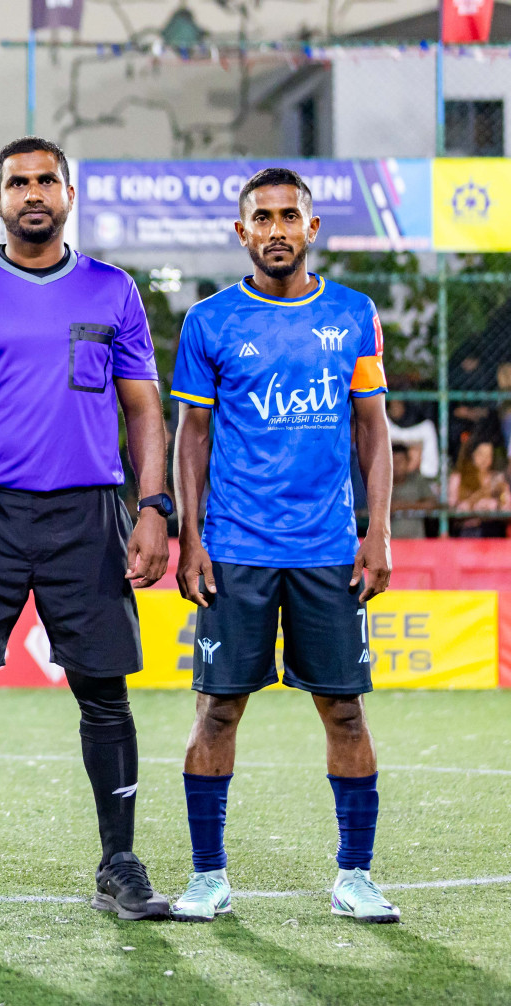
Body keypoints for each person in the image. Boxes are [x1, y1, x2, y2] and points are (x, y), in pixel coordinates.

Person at [0, 136, 172, 923]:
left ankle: (119, 862)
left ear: (68, 193)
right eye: (16, 182)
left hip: (87, 513)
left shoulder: (113, 291)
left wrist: (152, 509)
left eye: (45, 179)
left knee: (104, 694)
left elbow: (144, 409)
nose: (32, 193)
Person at [170, 167, 398, 925]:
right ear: (241, 233)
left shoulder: (355, 314)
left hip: (329, 549)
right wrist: (190, 540)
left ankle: (355, 875)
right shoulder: (209, 322)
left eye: (288, 217)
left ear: (312, 227)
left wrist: (378, 533)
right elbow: (190, 438)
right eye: (261, 218)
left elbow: (373, 430)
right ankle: (208, 876)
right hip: (235, 549)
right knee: (218, 713)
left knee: (345, 714)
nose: (276, 230)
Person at [448, 438, 509, 537]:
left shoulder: (497, 478)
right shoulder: (458, 478)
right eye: (481, 454)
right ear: (472, 455)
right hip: (465, 531)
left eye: (489, 455)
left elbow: (506, 506)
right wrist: (479, 496)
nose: (485, 459)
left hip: (491, 531)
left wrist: (499, 502)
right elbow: (452, 509)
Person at [389, 444, 437, 540]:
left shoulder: (417, 481)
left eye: (400, 461)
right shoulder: (382, 484)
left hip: (417, 541)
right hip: (390, 543)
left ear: (408, 462)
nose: (397, 465)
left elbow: (432, 504)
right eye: (394, 461)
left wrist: (403, 506)